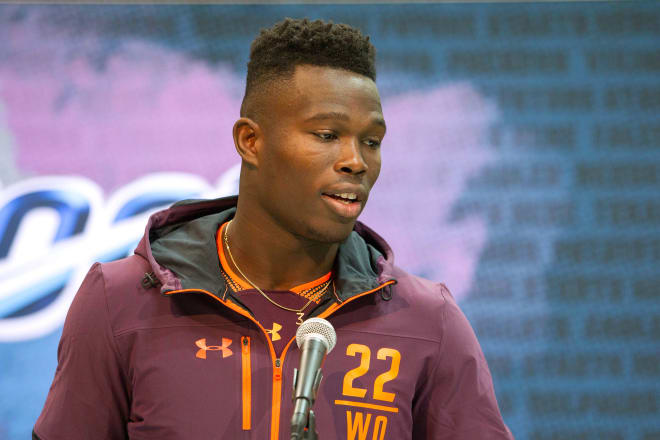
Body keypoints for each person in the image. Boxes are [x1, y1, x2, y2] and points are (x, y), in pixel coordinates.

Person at [33, 18, 514, 440]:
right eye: (327, 135)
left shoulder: (430, 321)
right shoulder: (117, 301)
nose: (356, 162)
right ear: (250, 141)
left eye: (371, 141)